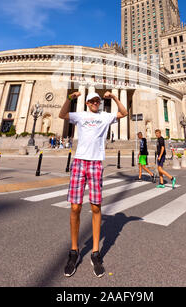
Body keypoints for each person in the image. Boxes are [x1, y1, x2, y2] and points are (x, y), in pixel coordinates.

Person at [59, 90, 128, 278]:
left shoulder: (105, 116)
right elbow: (62, 115)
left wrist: (113, 97)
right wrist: (69, 99)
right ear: (87, 103)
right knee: (75, 207)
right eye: (92, 101)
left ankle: (95, 253)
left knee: (96, 207)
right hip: (80, 161)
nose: (96, 103)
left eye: (97, 100)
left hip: (96, 163)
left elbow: (124, 113)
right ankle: (74, 251)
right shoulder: (80, 115)